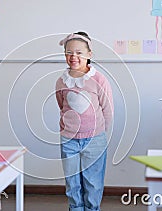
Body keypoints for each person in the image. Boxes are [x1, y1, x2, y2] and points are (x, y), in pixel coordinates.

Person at [55, 32, 114, 211]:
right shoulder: (61, 81)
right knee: (72, 181)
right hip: (69, 139)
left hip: (95, 139)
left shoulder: (99, 80)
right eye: (69, 52)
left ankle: (92, 208)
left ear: (89, 55)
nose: (74, 57)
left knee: (93, 181)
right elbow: (61, 105)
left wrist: (100, 133)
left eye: (79, 53)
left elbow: (108, 109)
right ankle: (76, 208)